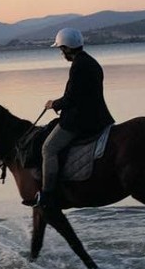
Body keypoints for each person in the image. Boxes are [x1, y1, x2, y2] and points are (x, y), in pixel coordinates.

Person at [36, 28, 114, 209]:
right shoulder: (91, 62)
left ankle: (48, 194)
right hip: (100, 116)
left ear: (67, 48)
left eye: (61, 50)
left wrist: (53, 104)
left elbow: (72, 98)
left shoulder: (78, 66)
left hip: (81, 121)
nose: (61, 53)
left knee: (48, 148)